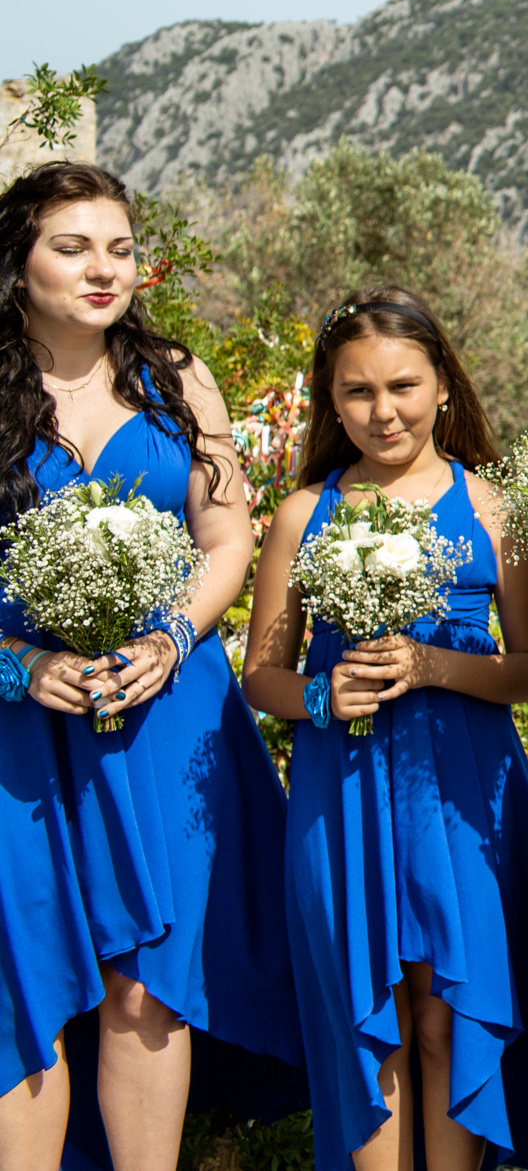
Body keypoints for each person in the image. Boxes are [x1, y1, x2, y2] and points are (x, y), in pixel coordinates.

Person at [0, 161, 301, 1171]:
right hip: (20, 729)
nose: (103, 268)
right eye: (72, 245)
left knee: (149, 977)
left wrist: (170, 638)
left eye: (120, 248)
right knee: (27, 976)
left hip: (167, 709)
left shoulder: (177, 378)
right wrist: (18, 664)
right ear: (18, 259)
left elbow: (227, 537)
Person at [241, 288, 528, 1171]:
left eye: (403, 386)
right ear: (330, 400)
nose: (382, 411)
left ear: (444, 387)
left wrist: (432, 668)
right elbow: (261, 674)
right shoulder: (305, 513)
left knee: (444, 1018)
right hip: (341, 792)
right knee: (368, 1023)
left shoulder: (496, 509)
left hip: (465, 795)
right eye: (357, 392)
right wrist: (320, 695)